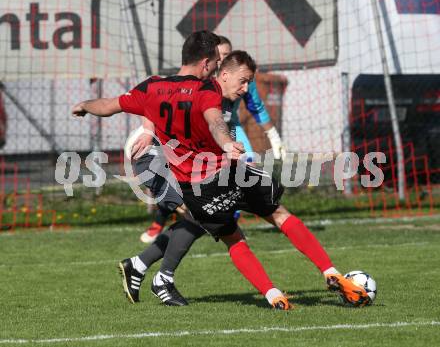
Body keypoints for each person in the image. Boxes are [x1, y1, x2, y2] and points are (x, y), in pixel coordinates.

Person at [72, 31, 370, 310]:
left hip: (195, 187)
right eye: (216, 62)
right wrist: (228, 143)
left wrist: (84, 105)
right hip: (226, 172)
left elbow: (110, 104)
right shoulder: (205, 90)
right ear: (206, 63)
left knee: (233, 238)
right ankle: (329, 271)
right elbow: (215, 121)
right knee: (279, 214)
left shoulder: (151, 87)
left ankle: (272, 294)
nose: (216, 68)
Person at [136, 35, 286, 243]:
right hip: (199, 134)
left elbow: (256, 106)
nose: (221, 59)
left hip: (229, 130)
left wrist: (273, 136)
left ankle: (227, 223)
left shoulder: (240, 79)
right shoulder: (200, 79)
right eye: (219, 55)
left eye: (225, 55)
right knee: (183, 177)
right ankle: (161, 222)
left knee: (246, 166)